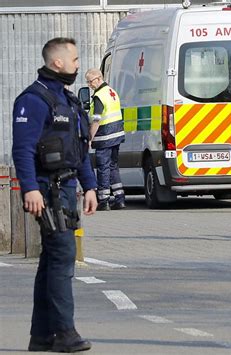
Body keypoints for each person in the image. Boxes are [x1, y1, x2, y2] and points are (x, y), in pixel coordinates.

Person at [12, 37, 97, 353]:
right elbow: (22, 149)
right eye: (75, 60)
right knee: (62, 258)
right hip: (47, 190)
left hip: (66, 187)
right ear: (57, 62)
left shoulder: (69, 101)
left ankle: (42, 335)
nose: (78, 65)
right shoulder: (33, 100)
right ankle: (64, 333)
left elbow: (80, 149)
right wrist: (30, 187)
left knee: (51, 260)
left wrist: (89, 186)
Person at [85, 68, 125, 211]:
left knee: (103, 167)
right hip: (116, 135)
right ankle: (120, 199)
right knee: (113, 166)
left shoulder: (99, 96)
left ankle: (103, 200)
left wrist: (90, 137)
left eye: (90, 81)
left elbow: (96, 120)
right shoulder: (111, 91)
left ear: (98, 78)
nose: (89, 85)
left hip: (105, 136)